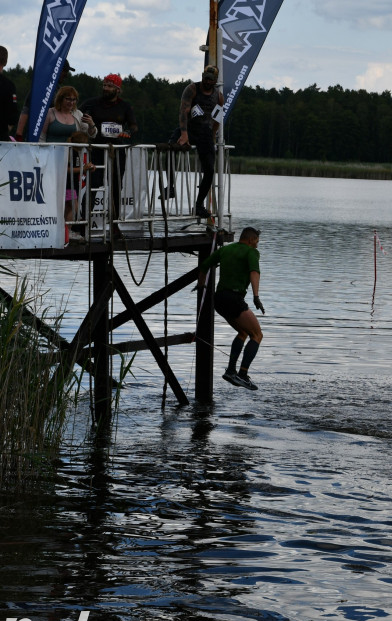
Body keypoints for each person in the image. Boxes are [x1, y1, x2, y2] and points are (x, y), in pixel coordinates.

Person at [196, 227, 265, 390]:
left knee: (243, 333)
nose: (257, 245)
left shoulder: (225, 250)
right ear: (250, 240)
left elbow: (204, 265)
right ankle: (242, 374)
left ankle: (230, 371)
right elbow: (254, 272)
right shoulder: (251, 253)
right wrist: (256, 296)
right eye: (256, 241)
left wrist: (201, 286)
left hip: (218, 299)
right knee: (257, 334)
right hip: (234, 299)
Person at [80, 74, 138, 222]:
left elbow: (134, 126)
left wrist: (128, 133)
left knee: (116, 188)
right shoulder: (91, 104)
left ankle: (114, 223)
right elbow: (78, 116)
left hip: (116, 152)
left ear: (118, 90)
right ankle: (84, 221)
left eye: (110, 86)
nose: (105, 88)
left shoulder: (125, 106)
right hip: (97, 150)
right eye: (104, 85)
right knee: (93, 184)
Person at [176, 65, 225, 219]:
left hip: (204, 133)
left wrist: (213, 134)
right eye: (205, 78)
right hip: (189, 129)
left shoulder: (218, 96)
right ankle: (170, 187)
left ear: (215, 81)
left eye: (211, 79)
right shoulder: (192, 89)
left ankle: (198, 205)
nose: (207, 81)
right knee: (170, 150)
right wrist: (184, 134)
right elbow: (183, 112)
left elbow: (217, 118)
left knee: (210, 170)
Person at [16, 59, 74, 141]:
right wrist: (19, 135)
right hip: (36, 137)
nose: (66, 75)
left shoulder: (60, 91)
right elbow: (26, 110)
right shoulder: (40, 87)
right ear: (56, 70)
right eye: (65, 71)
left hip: (53, 139)